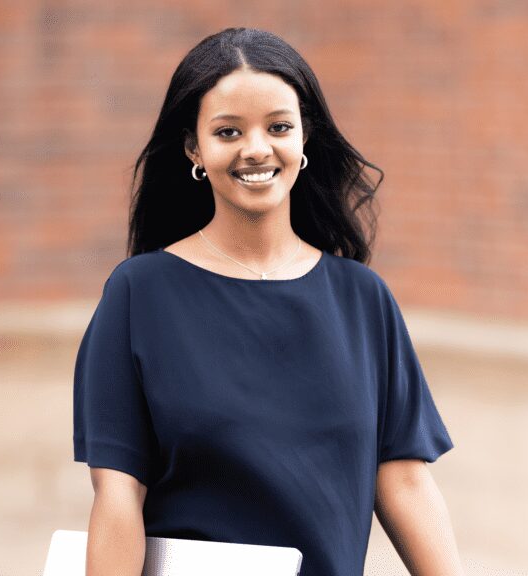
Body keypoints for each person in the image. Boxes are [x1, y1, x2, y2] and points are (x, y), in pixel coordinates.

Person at [72, 28, 464, 576]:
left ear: (304, 139)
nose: (257, 148)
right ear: (195, 149)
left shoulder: (361, 299)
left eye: (278, 126)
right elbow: (117, 499)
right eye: (228, 131)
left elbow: (404, 481)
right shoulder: (139, 294)